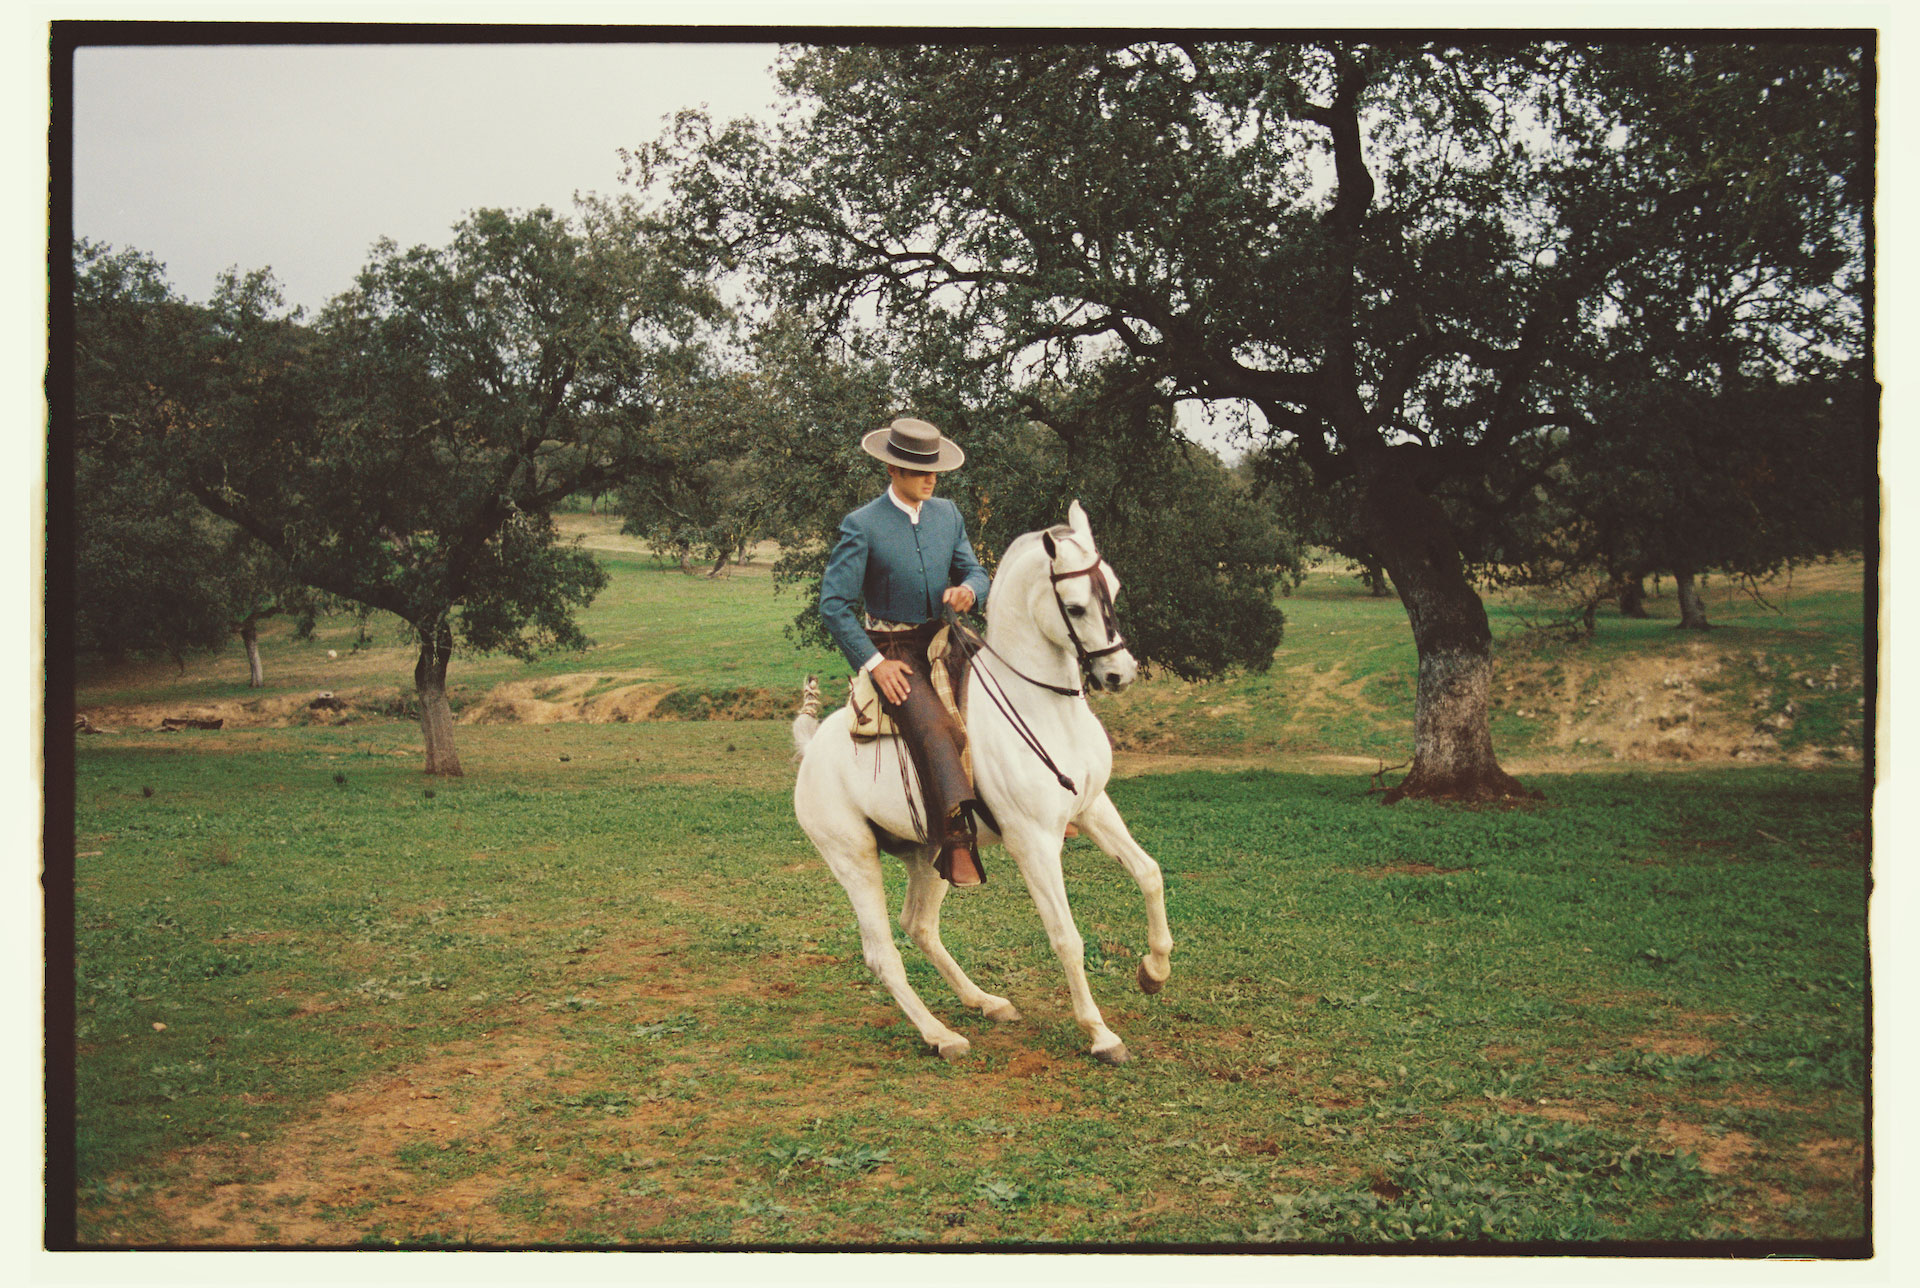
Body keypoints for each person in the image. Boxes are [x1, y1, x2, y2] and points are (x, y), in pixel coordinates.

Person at [819, 417, 993, 886]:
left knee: (1007, 690)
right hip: (893, 647)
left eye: (933, 468)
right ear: (893, 470)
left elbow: (976, 571)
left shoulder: (949, 514)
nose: (930, 478)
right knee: (934, 725)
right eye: (919, 470)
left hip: (946, 635)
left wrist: (969, 593)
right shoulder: (862, 526)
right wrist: (874, 664)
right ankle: (955, 837)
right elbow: (833, 606)